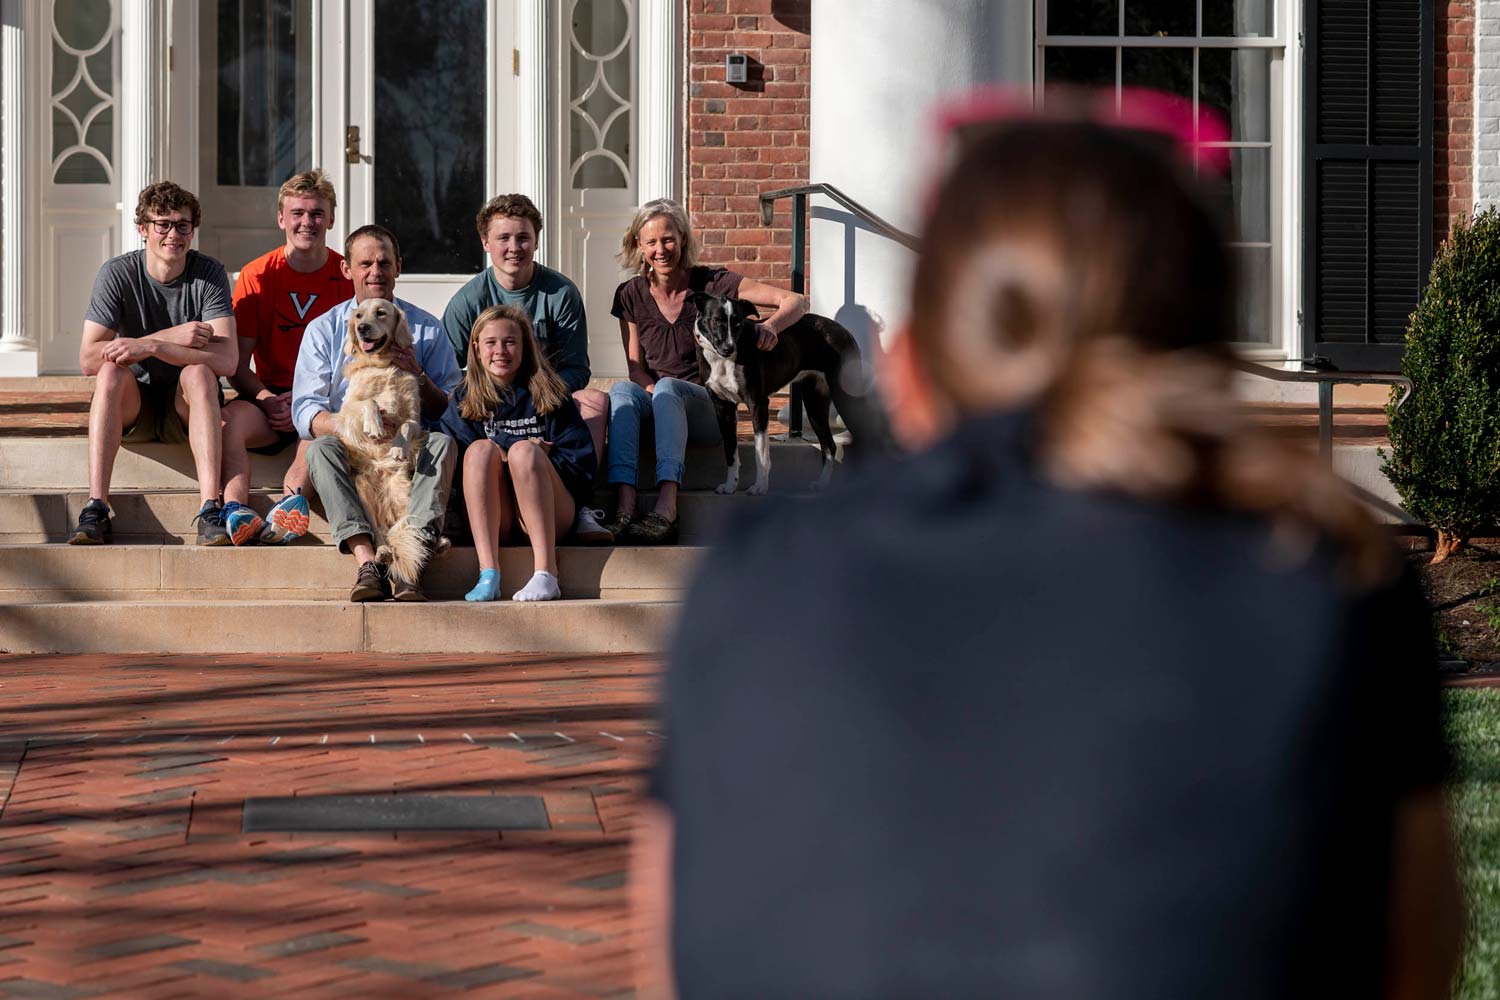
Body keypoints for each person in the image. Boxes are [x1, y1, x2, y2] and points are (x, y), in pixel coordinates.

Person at [633, 111, 1464, 997]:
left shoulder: (761, 577)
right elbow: (1409, 962)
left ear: (908, 370)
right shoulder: (1328, 582)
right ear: (1211, 358)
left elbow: (668, 958)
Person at [606, 199, 807, 544]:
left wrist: (771, 328)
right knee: (622, 392)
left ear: (682, 239)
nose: (660, 249)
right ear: (638, 245)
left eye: (668, 239)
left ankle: (667, 509)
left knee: (669, 387)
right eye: (651, 242)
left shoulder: (715, 283)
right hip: (660, 403)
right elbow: (636, 369)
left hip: (702, 405)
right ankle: (625, 508)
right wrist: (652, 395)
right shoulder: (630, 294)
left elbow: (796, 301)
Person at [292, 224, 461, 602]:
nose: (375, 272)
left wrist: (418, 373)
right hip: (356, 449)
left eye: (384, 263)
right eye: (365, 263)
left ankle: (409, 565)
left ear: (398, 267)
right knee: (318, 448)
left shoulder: (427, 330)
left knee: (443, 442)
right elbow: (305, 409)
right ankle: (367, 562)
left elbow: (451, 407)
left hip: (408, 450)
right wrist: (355, 426)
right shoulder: (325, 330)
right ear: (346, 269)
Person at [72, 182, 237, 546]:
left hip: (187, 405)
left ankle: (210, 508)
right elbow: (87, 358)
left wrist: (150, 344)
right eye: (162, 224)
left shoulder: (209, 273)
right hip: (135, 404)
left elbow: (227, 359)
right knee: (111, 371)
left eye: (183, 225)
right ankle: (96, 506)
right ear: (143, 228)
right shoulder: (118, 273)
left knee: (200, 373)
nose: (173, 234)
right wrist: (174, 337)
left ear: (193, 229)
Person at [442, 194, 611, 543]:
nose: (514, 247)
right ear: (486, 243)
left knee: (594, 399)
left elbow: (577, 369)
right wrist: (501, 397)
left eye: (523, 237)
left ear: (536, 240)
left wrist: (535, 397)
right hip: (491, 403)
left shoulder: (560, 293)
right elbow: (449, 372)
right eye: (503, 238)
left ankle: (580, 506)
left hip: (545, 402)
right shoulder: (467, 302)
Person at [219, 169, 354, 545]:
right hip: (270, 398)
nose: (306, 222)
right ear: (281, 218)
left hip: (327, 396)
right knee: (229, 421)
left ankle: (291, 504)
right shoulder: (256, 275)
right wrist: (266, 398)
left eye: (316, 213)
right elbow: (236, 363)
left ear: (330, 218)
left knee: (317, 422)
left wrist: (306, 403)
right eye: (297, 213)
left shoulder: (347, 275)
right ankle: (234, 510)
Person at [441, 305, 597, 602]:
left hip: (548, 514)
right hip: (494, 515)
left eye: (510, 341)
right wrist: (505, 451)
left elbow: (582, 467)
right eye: (491, 342)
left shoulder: (550, 394)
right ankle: (489, 573)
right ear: (475, 349)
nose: (501, 350)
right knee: (480, 450)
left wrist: (535, 458)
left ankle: (546, 573)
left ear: (526, 346)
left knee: (524, 453)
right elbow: (459, 468)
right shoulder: (463, 399)